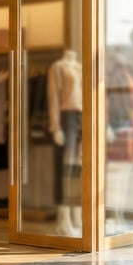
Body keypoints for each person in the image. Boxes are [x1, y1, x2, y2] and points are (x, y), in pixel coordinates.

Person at [47, 49, 82, 236]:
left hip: (81, 117)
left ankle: (77, 214)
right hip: (66, 117)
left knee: (78, 167)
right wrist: (55, 125)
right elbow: (53, 96)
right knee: (64, 169)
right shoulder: (58, 67)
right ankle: (63, 218)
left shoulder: (80, 67)